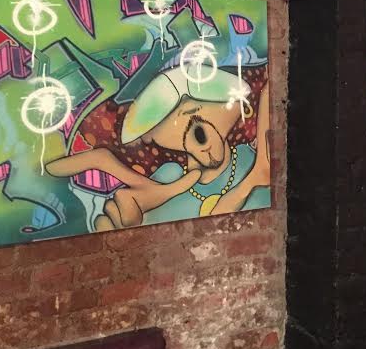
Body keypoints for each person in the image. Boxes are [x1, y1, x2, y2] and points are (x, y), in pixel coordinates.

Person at [46, 65, 271, 231]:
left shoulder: (249, 156)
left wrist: (251, 181)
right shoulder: (169, 175)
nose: (203, 143)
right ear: (151, 136)